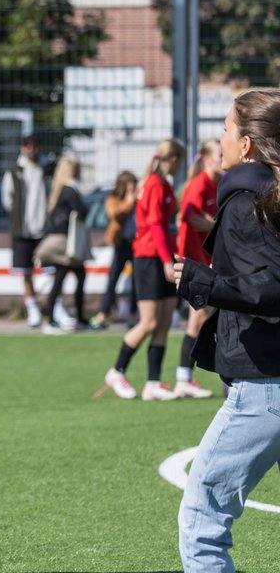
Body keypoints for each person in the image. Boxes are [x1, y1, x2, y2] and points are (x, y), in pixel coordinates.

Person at [142, 89, 280, 573]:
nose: (220, 139)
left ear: (246, 142)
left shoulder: (247, 197)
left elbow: (267, 288)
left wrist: (200, 281)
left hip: (265, 386)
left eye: (225, 129)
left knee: (202, 519)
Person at [98, 139, 185, 400]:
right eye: (178, 160)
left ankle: (154, 383)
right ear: (172, 159)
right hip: (149, 258)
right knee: (149, 322)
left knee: (165, 320)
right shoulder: (154, 184)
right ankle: (117, 370)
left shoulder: (163, 184)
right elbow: (156, 226)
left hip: (162, 256)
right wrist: (167, 261)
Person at [171, 139, 224, 399]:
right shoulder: (199, 185)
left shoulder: (214, 184)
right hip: (195, 262)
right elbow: (189, 218)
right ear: (206, 159)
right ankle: (184, 376)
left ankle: (184, 377)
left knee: (198, 319)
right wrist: (221, 227)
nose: (223, 157)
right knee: (201, 318)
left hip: (204, 261)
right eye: (219, 154)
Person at [33, 156, 91, 334]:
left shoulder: (59, 189)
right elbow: (82, 211)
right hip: (64, 241)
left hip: (61, 240)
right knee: (69, 277)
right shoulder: (70, 189)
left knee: (64, 278)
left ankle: (59, 318)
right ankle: (54, 320)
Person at [1, 136, 48, 328]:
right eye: (27, 146)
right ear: (22, 148)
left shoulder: (47, 170)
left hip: (45, 230)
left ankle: (53, 306)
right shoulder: (15, 172)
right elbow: (8, 201)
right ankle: (33, 310)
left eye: (34, 146)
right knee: (25, 271)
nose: (31, 150)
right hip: (23, 230)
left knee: (51, 271)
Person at [89, 172, 138, 330]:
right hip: (121, 243)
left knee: (137, 280)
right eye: (129, 184)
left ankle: (133, 314)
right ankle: (103, 313)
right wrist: (129, 201)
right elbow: (115, 214)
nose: (132, 187)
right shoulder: (113, 199)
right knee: (113, 279)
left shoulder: (138, 198)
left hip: (136, 243)